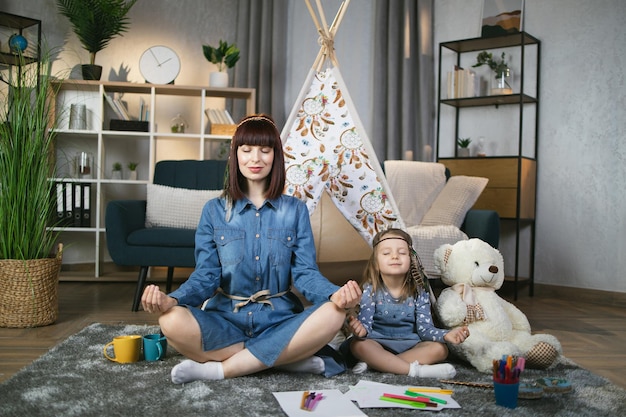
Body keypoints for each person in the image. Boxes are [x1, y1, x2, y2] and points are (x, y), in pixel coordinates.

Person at [141, 114, 362, 383]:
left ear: (275, 156)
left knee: (333, 312)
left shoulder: (295, 210)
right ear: (235, 155)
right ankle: (285, 359)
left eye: (264, 150)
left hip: (280, 322)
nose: (255, 159)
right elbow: (206, 276)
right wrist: (172, 299)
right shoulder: (214, 211)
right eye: (246, 150)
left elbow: (305, 274)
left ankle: (221, 369)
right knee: (170, 320)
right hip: (225, 322)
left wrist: (335, 294)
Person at [341, 228, 469, 379]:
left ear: (411, 260)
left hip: (410, 345)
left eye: (402, 253)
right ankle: (415, 370)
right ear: (376, 263)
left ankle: (378, 364)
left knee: (440, 349)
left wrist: (446, 335)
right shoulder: (370, 290)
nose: (395, 256)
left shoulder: (420, 292)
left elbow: (425, 330)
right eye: (387, 253)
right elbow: (365, 328)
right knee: (359, 345)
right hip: (376, 342)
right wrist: (360, 331)